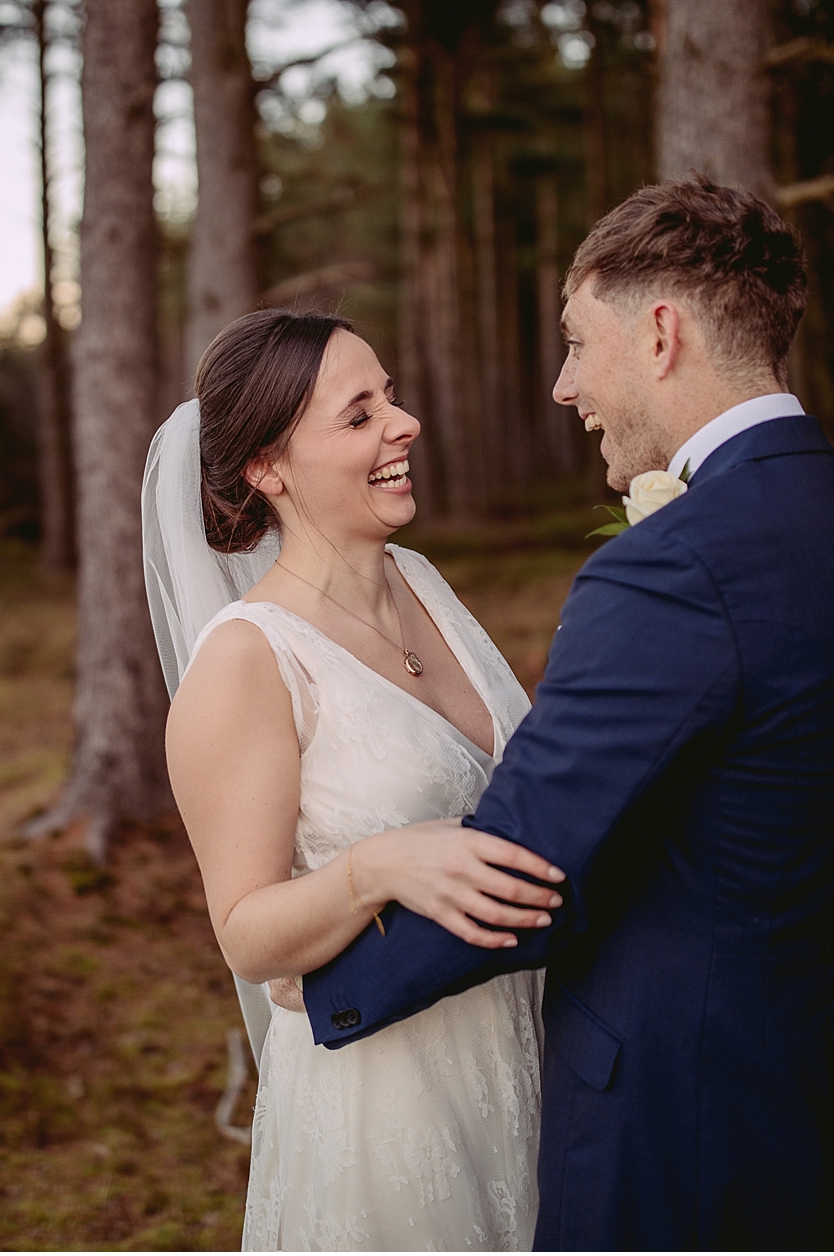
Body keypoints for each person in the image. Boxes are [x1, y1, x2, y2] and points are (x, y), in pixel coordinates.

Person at [295, 176, 834, 1249]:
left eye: (575, 342)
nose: (562, 385)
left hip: (676, 1113)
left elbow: (532, 863)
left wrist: (331, 988)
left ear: (658, 334)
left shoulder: (670, 568)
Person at [148, 309, 565, 1251]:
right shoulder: (249, 661)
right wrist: (374, 867)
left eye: (394, 398)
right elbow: (246, 935)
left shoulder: (424, 583)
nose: (404, 423)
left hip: (523, 1044)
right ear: (268, 468)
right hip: (388, 1090)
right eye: (360, 414)